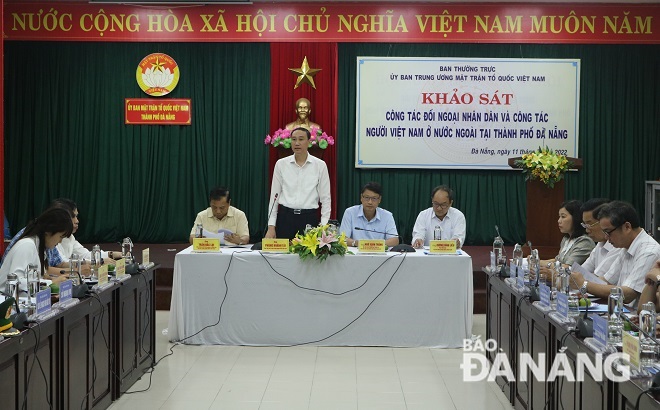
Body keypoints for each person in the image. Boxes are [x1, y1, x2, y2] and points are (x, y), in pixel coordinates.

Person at [265, 127, 331, 240]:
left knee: (307, 257)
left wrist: (323, 226)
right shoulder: (281, 164)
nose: (297, 143)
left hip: (309, 219)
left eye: (301, 139)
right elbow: (274, 198)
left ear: (309, 142)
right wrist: (271, 227)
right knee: (281, 255)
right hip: (286, 218)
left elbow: (325, 199)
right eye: (294, 139)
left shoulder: (320, 165)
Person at [593, 201, 660, 308]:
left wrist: (584, 284)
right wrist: (580, 282)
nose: (606, 237)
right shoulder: (625, 246)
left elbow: (628, 294)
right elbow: (606, 281)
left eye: (608, 232)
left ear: (627, 227)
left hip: (637, 318)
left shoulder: (649, 251)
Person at [0, 207, 73, 290]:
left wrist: (51, 279)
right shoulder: (27, 245)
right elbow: (17, 282)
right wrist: (51, 283)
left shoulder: (40, 247)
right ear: (48, 231)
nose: (60, 242)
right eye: (61, 237)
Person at [569, 199, 623, 295]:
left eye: (589, 224)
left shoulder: (618, 247)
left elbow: (599, 281)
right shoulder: (600, 244)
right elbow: (580, 272)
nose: (587, 230)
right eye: (584, 225)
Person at [539, 200, 595, 279]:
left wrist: (542, 263)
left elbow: (568, 268)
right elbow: (557, 260)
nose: (559, 221)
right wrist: (537, 261)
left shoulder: (585, 241)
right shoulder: (566, 239)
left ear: (576, 218)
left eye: (563, 217)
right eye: (559, 217)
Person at [339, 182, 399, 248]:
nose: (370, 202)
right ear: (361, 198)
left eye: (374, 198)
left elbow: (395, 240)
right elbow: (342, 238)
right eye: (367, 197)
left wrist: (373, 245)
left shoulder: (387, 216)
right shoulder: (350, 212)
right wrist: (356, 243)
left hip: (379, 255)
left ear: (379, 200)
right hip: (356, 255)